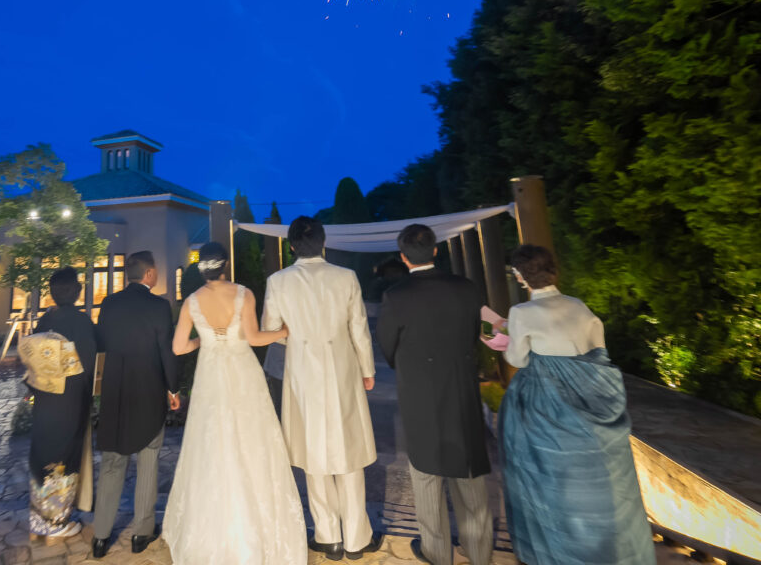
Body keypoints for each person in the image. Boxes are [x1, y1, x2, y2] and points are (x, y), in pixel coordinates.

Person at [499, 245, 655, 565]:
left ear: (520, 276)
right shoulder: (579, 306)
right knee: (603, 483)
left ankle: (561, 552)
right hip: (594, 399)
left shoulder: (522, 313)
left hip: (548, 406)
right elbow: (599, 352)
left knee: (550, 482)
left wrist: (503, 341)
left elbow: (517, 358)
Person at [164, 242, 306, 564]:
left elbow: (178, 347)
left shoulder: (191, 302)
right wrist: (283, 330)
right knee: (251, 440)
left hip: (210, 376)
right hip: (243, 373)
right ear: (225, 265)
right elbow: (254, 338)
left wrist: (203, 339)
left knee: (212, 444)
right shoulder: (244, 294)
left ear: (202, 268)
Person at [262, 217, 382, 561]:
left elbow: (272, 329)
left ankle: (327, 536)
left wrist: (297, 332)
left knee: (312, 450)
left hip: (301, 371)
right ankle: (357, 538)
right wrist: (367, 368)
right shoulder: (345, 277)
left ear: (292, 246)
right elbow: (359, 327)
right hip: (343, 369)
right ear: (324, 243)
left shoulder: (278, 281)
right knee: (349, 451)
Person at [376, 224, 493, 565]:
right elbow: (476, 332)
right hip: (460, 389)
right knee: (469, 474)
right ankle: (480, 552)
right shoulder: (467, 288)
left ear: (403, 256)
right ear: (436, 250)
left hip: (419, 394)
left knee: (426, 475)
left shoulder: (397, 296)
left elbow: (387, 345)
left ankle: (438, 553)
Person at [91, 250, 180, 559]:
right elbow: (166, 351)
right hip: (148, 391)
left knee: (112, 464)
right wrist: (173, 388)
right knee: (148, 458)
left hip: (115, 392)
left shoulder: (109, 304)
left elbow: (100, 347)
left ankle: (100, 536)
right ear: (149, 275)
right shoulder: (158, 306)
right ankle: (141, 533)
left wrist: (99, 389)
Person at [25, 267, 97, 542]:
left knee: (42, 454)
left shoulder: (45, 321)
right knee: (63, 457)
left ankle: (38, 518)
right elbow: (88, 365)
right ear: (76, 291)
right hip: (69, 400)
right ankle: (56, 521)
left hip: (44, 398)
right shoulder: (81, 323)